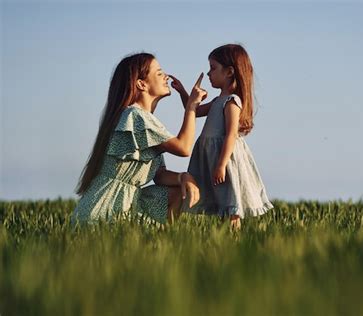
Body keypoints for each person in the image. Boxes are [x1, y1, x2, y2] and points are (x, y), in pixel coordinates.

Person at [71, 52, 207, 225]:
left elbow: (159, 175)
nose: (166, 76)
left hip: (126, 202)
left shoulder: (142, 119)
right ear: (141, 84)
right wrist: (191, 107)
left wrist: (183, 177)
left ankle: (168, 241)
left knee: (175, 192)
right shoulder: (135, 116)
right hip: (105, 209)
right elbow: (184, 147)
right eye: (159, 73)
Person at [170, 44, 273, 229]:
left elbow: (231, 135)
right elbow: (195, 109)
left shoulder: (232, 102)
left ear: (229, 72)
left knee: (231, 205)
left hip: (226, 159)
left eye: (213, 68)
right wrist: (183, 92)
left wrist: (221, 164)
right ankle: (224, 240)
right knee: (221, 204)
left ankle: (234, 240)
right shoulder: (218, 100)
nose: (209, 73)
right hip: (212, 157)